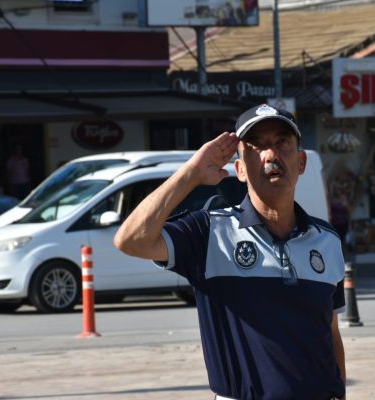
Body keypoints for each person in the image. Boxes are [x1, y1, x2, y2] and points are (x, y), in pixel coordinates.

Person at [114, 104, 347, 399]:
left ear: (300, 163)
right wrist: (191, 173)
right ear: (240, 170)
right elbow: (131, 240)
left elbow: (330, 332)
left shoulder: (327, 241)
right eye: (256, 146)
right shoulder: (210, 232)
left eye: (282, 142)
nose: (270, 155)